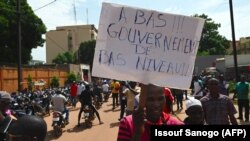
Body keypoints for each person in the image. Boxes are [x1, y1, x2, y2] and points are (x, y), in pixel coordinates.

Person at [117, 84, 183, 141]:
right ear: (141, 100)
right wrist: (137, 133)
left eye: (160, 99)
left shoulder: (176, 124)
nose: (156, 105)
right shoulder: (127, 124)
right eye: (150, 99)